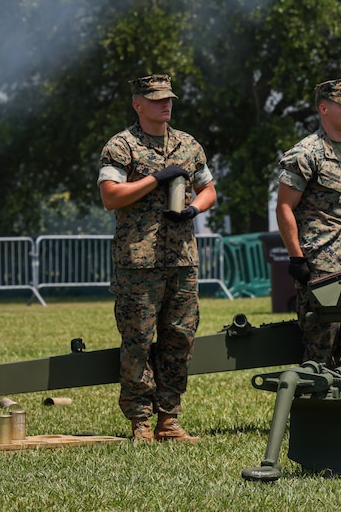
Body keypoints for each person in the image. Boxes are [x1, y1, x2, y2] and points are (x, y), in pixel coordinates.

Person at [98, 74, 216, 443]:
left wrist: (193, 210)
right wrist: (155, 179)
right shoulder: (122, 146)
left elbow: (209, 188)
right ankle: (140, 422)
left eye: (169, 98)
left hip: (181, 259)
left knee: (179, 338)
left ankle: (169, 419)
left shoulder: (187, 144)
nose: (166, 104)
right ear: (138, 103)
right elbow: (111, 197)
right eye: (157, 99)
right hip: (139, 261)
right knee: (138, 341)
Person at [276, 78, 341, 367]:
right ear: (324, 108)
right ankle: (315, 398)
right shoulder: (306, 153)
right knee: (321, 334)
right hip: (319, 261)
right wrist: (296, 257)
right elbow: (284, 207)